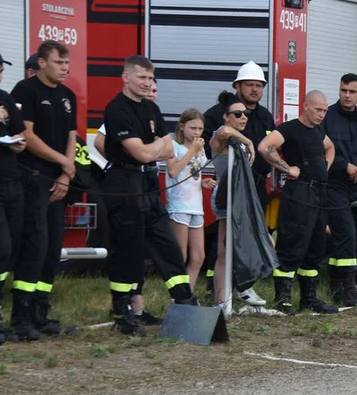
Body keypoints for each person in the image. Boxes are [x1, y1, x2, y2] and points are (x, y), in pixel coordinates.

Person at [101, 55, 196, 335]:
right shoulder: (117, 109)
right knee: (128, 252)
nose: (147, 83)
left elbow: (168, 150)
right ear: (126, 77)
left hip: (148, 183)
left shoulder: (151, 109)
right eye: (142, 77)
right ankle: (123, 312)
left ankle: (185, 303)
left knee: (167, 245)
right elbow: (143, 153)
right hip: (123, 182)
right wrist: (152, 148)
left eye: (151, 78)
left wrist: (150, 148)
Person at [8, 40, 77, 339]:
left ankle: (41, 313)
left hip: (58, 179)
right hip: (33, 177)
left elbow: (72, 135)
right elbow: (27, 135)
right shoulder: (25, 90)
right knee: (34, 244)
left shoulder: (67, 95)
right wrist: (63, 162)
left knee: (51, 249)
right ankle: (21, 317)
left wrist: (66, 172)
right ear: (42, 63)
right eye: (59, 62)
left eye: (66, 62)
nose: (65, 68)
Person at [258, 90, 340, 315]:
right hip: (299, 192)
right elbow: (265, 147)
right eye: (318, 109)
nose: (322, 114)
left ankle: (309, 299)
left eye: (325, 110)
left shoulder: (317, 130)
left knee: (316, 245)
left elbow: (330, 147)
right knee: (292, 243)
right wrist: (286, 168)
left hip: (319, 193)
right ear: (305, 105)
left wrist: (325, 166)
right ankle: (282, 299)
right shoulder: (290, 128)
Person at [202, 61, 274, 305]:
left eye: (259, 85)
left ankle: (244, 288)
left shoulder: (265, 116)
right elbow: (217, 136)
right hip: (230, 190)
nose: (255, 90)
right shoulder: (219, 114)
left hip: (256, 185)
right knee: (223, 245)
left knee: (248, 240)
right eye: (250, 85)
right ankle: (219, 293)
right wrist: (248, 142)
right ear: (237, 86)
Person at [322, 73, 357, 308]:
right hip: (334, 185)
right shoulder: (328, 117)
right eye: (343, 90)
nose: (346, 95)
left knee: (353, 235)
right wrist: (343, 164)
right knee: (344, 232)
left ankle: (335, 283)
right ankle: (349, 287)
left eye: (352, 91)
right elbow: (319, 149)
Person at [207, 92, 257, 308]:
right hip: (225, 198)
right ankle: (221, 300)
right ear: (226, 117)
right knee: (224, 251)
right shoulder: (222, 137)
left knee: (244, 247)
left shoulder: (237, 141)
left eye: (245, 114)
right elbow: (224, 131)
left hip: (241, 199)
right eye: (237, 114)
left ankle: (241, 289)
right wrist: (250, 142)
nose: (243, 117)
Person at [0, 46, 27, 345]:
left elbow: (20, 134)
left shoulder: (5, 98)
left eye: (0, 71)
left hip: (11, 183)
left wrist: (18, 143)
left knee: (9, 251)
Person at [166, 108, 211, 291]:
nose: (197, 133)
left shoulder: (199, 150)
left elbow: (191, 174)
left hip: (196, 206)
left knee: (198, 256)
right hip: (179, 206)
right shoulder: (173, 146)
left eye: (200, 129)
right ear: (182, 126)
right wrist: (192, 151)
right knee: (180, 255)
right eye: (193, 128)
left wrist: (203, 182)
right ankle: (177, 296)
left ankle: (188, 293)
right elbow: (173, 171)